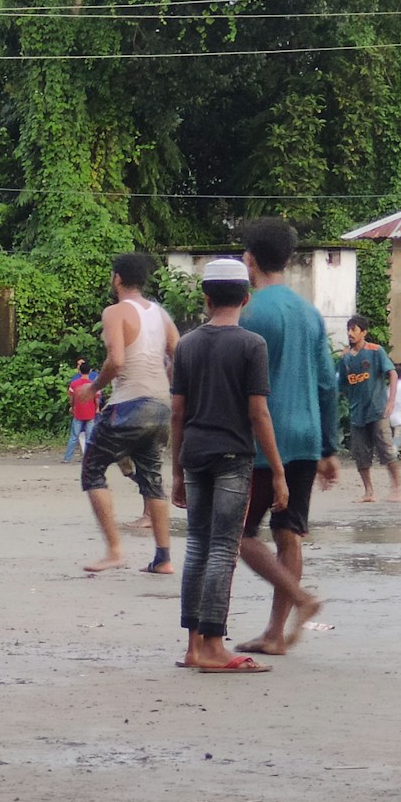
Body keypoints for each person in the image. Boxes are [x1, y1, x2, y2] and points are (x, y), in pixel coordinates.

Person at [168, 259, 286, 674]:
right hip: (233, 457)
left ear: (206, 298)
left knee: (198, 546)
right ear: (246, 297)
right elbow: (259, 413)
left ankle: (193, 646)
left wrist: (178, 470)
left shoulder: (186, 345)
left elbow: (177, 413)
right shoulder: (252, 345)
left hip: (194, 454)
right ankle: (216, 645)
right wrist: (278, 470)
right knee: (222, 547)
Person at [233, 217, 335, 656]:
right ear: (289, 259)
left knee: (241, 534)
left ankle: (300, 597)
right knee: (288, 532)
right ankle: (275, 634)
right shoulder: (309, 313)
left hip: (265, 440)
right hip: (308, 436)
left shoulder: (251, 312)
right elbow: (328, 384)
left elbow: (240, 382)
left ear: (249, 260)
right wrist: (329, 446)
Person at [76, 253, 178, 574]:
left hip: (129, 404)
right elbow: (180, 355)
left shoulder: (115, 312)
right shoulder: (161, 315)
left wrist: (92, 390)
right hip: (161, 406)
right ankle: (163, 558)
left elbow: (116, 361)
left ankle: (115, 550)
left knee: (92, 469)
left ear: (116, 278)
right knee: (152, 478)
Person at [338, 315, 401, 503]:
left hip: (377, 411)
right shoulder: (345, 358)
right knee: (360, 454)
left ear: (364, 332)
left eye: (354, 330)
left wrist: (390, 401)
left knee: (386, 449)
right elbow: (341, 384)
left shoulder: (376, 351)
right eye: (348, 330)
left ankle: (397, 488)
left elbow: (392, 373)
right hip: (357, 413)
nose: (350, 334)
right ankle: (369, 492)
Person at [63, 358, 98, 463]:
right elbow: (96, 398)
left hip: (78, 413)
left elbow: (71, 398)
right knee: (89, 437)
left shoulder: (74, 383)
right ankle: (89, 459)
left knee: (74, 437)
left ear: (79, 370)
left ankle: (67, 458)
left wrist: (72, 407)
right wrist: (97, 408)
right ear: (89, 371)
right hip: (91, 413)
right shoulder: (93, 384)